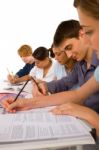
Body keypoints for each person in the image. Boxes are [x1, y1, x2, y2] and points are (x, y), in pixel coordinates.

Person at [3, 0, 99, 137]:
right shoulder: (82, 65)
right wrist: (27, 103)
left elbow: (76, 95)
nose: (69, 56)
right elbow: (77, 94)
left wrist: (90, 115)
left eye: (89, 31)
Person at [32, 20, 99, 112]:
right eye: (65, 51)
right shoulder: (79, 65)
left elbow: (77, 94)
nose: (69, 55)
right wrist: (45, 86)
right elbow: (65, 82)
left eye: (69, 47)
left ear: (81, 34)